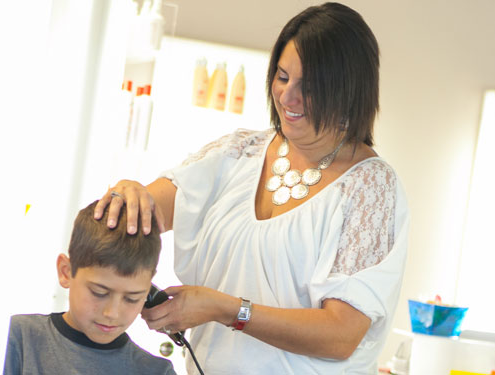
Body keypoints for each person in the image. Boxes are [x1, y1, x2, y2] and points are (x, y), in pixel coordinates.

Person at [95, 2, 409, 373]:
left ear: (347, 91)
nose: (287, 97)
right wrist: (130, 194)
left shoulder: (370, 189)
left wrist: (225, 308)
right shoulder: (237, 153)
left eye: (308, 87)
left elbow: (341, 335)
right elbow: (142, 213)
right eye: (281, 76)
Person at [4, 200, 176, 375]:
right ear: (66, 272)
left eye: (132, 298)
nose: (112, 313)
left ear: (148, 292)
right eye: (99, 293)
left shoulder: (157, 371)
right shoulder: (18, 338)